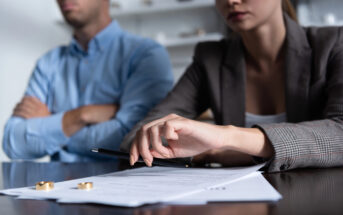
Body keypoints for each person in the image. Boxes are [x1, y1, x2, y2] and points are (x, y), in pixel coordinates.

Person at [122, 0, 343, 172]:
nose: (231, 1)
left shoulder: (333, 44)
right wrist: (211, 153)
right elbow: (139, 137)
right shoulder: (210, 59)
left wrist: (227, 138)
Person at [3, 0, 174, 161]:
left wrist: (54, 125)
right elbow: (13, 142)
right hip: (54, 187)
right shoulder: (48, 63)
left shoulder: (146, 55)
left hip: (120, 186)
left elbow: (134, 138)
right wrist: (81, 115)